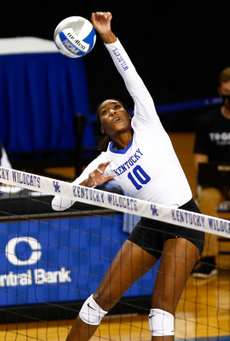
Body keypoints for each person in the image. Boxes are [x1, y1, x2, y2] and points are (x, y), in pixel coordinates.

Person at [52, 12, 204, 341]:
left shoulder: (147, 122)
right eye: (106, 111)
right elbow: (57, 204)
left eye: (118, 106)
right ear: (103, 127)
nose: (114, 111)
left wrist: (107, 35)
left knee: (161, 308)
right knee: (99, 301)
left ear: (129, 112)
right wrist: (84, 185)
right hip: (150, 225)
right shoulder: (104, 162)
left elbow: (129, 74)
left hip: (185, 219)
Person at [192, 66, 230, 278]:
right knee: (204, 199)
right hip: (215, 185)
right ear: (220, 92)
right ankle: (209, 259)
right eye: (227, 93)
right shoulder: (207, 122)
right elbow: (199, 162)